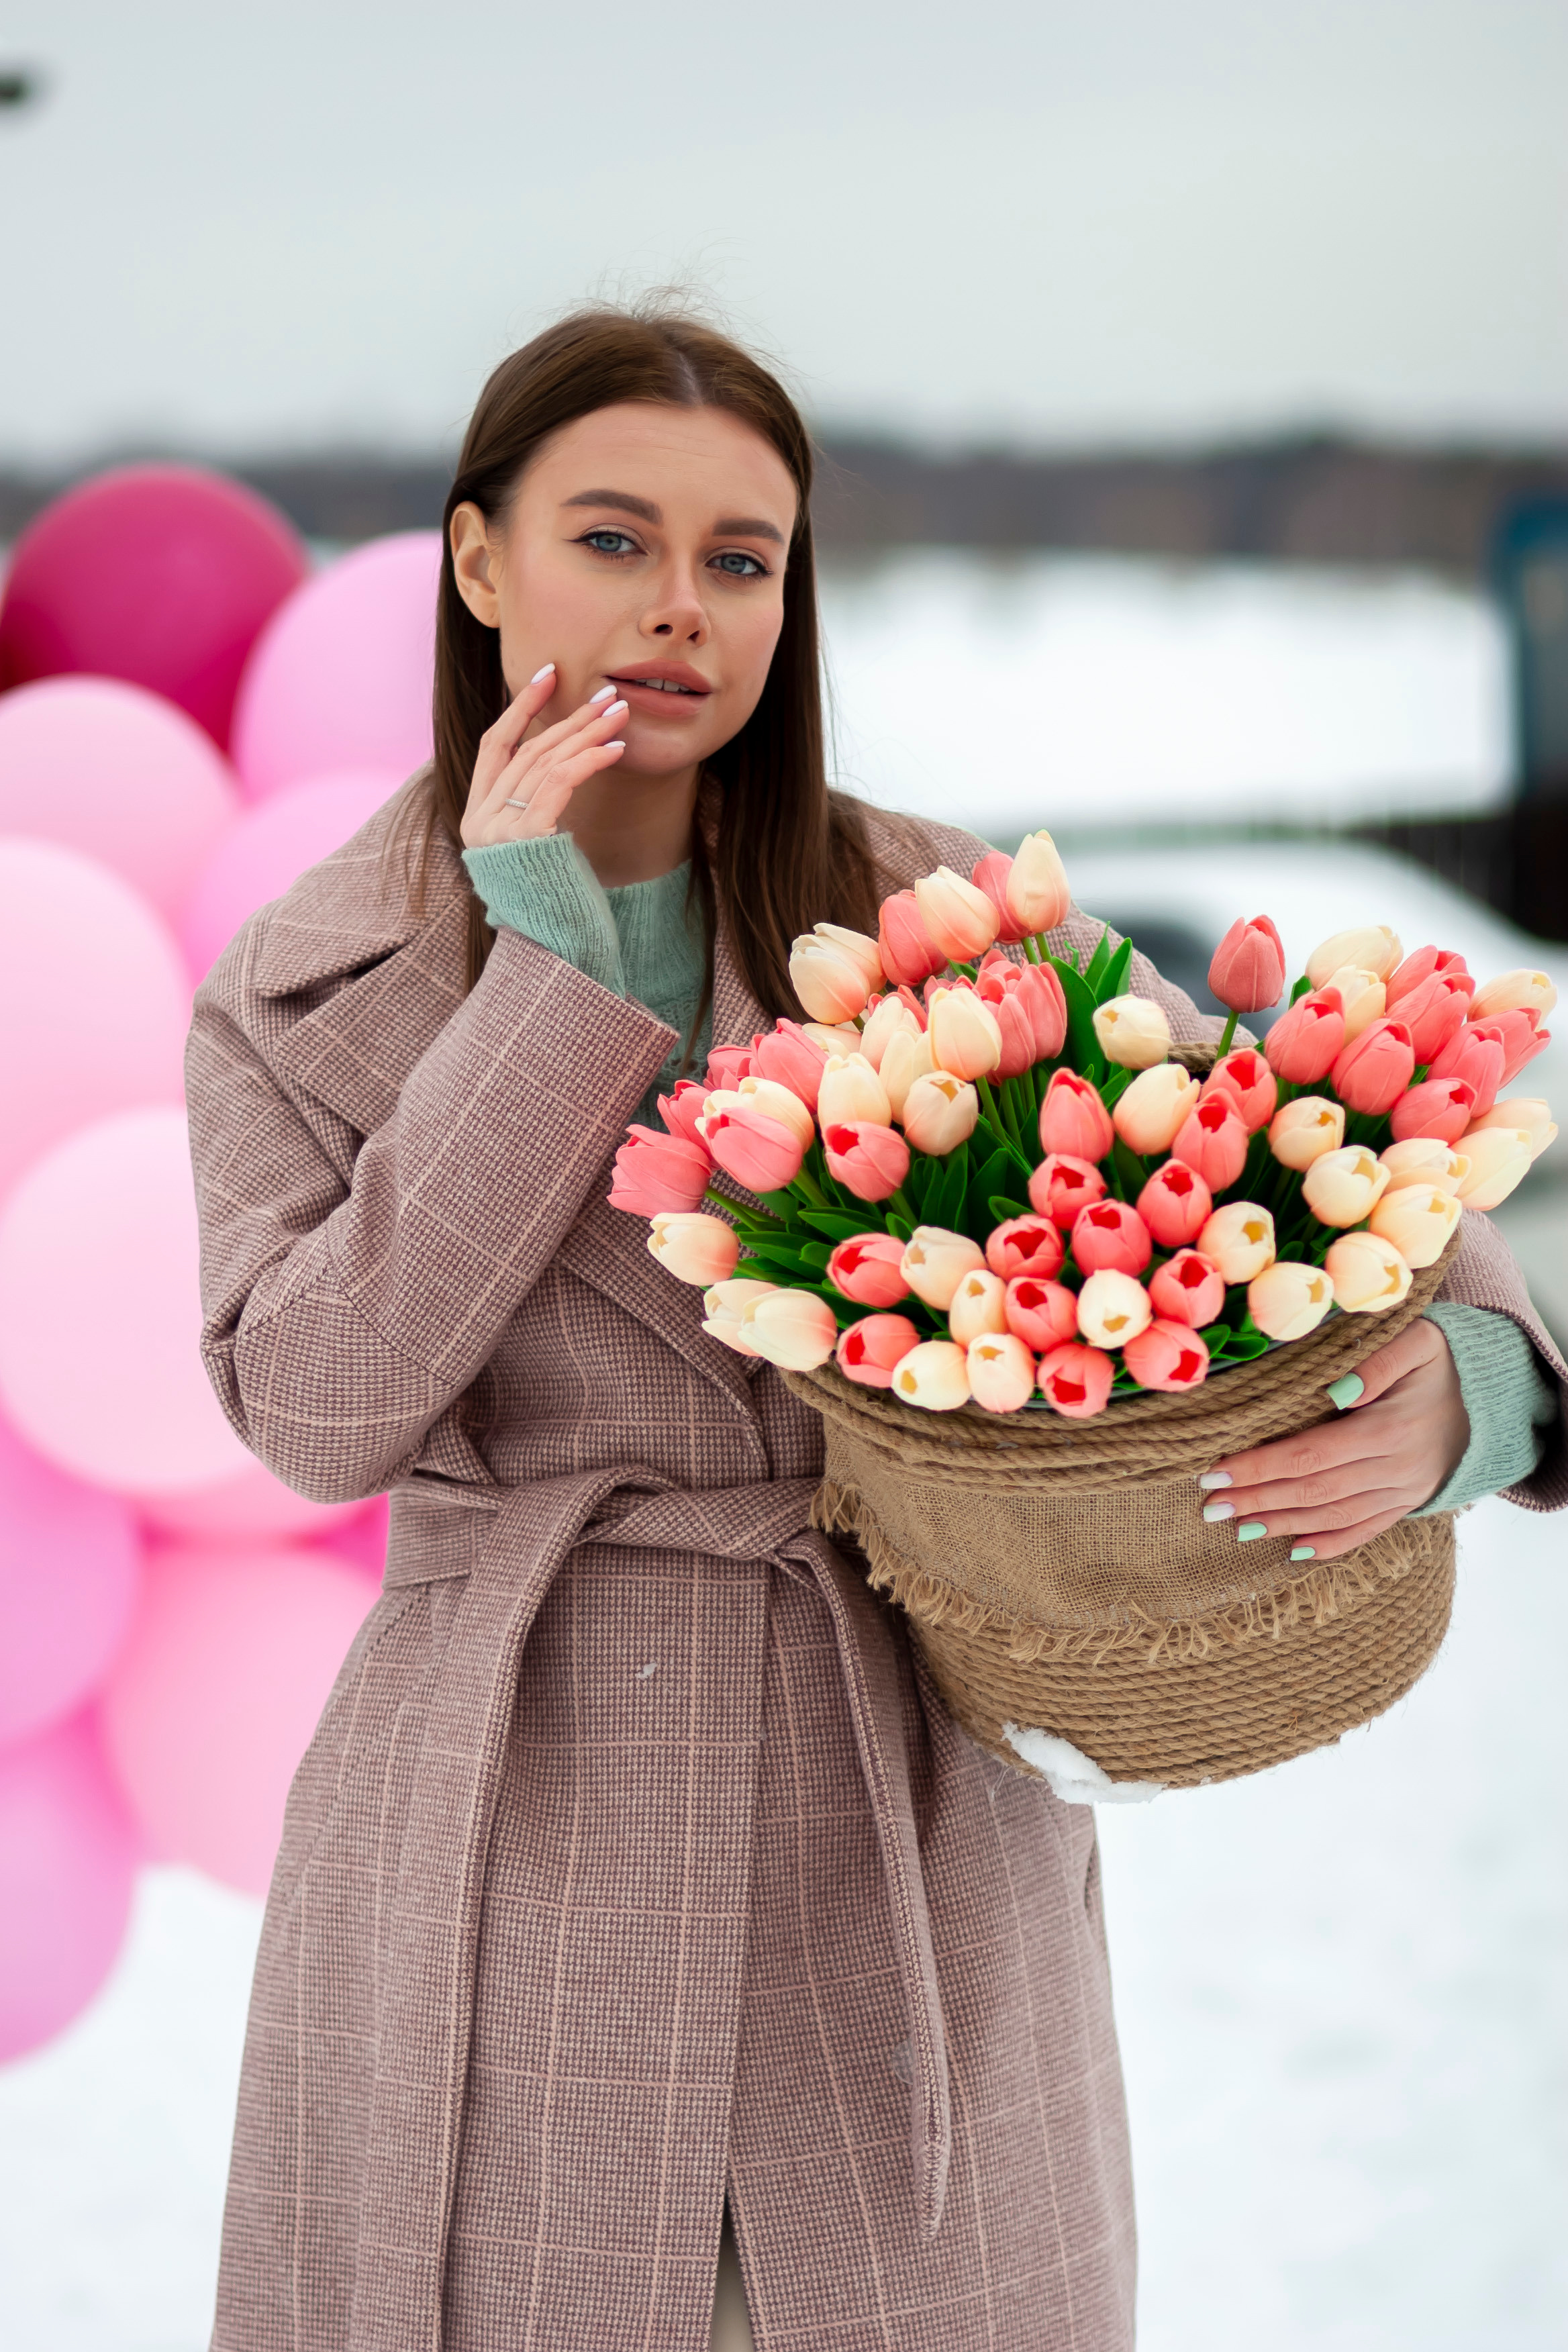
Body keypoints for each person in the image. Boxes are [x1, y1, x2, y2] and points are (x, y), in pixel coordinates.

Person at [187, 304, 1566, 2352]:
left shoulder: (939, 922)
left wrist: (1483, 1380)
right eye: (613, 540)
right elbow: (318, 1408)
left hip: (902, 1816)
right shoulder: (305, 984)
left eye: (740, 559)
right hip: (509, 1823)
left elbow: (1277, 1153)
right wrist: (540, 984)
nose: (680, 609)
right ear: (480, 565)